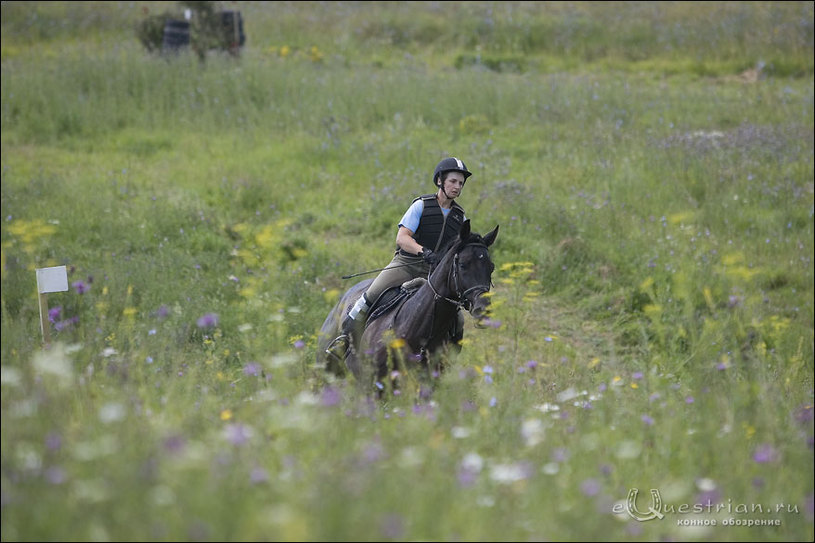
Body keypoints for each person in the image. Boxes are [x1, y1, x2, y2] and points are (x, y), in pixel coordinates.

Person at [326, 157, 473, 363]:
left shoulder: (460, 217)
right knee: (371, 294)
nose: (457, 186)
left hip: (433, 274)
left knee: (456, 316)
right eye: (453, 181)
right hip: (406, 265)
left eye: (460, 183)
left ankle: (447, 359)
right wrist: (424, 252)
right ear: (440, 181)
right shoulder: (421, 206)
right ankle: (344, 341)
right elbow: (402, 238)